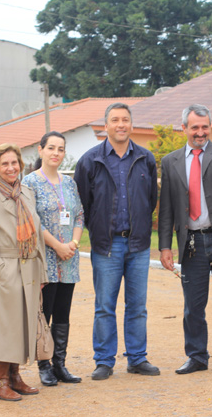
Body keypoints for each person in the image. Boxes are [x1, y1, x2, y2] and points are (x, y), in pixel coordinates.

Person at [158, 104, 212, 378]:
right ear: (184, 128)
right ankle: (197, 356)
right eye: (195, 127)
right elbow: (167, 209)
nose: (200, 132)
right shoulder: (170, 161)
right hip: (191, 244)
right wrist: (164, 246)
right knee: (193, 306)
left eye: (205, 127)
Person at [74, 102, 159, 380]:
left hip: (138, 246)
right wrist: (98, 230)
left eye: (125, 120)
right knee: (104, 306)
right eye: (115, 120)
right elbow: (83, 205)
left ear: (131, 124)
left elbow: (151, 201)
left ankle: (137, 358)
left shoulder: (146, 159)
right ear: (106, 125)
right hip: (106, 247)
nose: (120, 124)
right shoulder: (90, 160)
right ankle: (104, 361)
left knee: (137, 306)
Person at [0, 143, 46, 400]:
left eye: (14, 163)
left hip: (29, 267)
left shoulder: (26, 192)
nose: (11, 168)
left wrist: (43, 273)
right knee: (5, 327)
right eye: (5, 164)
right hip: (6, 267)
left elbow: (37, 234)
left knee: (22, 325)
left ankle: (15, 377)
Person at [21, 132, 84, 386]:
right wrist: (57, 245)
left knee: (62, 314)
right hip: (45, 259)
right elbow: (31, 221)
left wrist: (73, 244)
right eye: (51, 148)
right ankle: (44, 364)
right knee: (43, 313)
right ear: (40, 150)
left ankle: (60, 364)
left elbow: (79, 215)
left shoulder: (69, 183)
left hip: (69, 259)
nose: (56, 153)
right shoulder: (29, 182)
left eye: (60, 149)